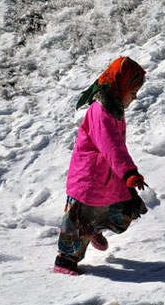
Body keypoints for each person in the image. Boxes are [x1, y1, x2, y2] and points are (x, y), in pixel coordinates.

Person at [53, 56, 148, 275]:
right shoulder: (102, 112)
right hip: (90, 179)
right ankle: (64, 262)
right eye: (132, 93)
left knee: (125, 209)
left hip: (106, 176)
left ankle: (95, 229)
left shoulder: (113, 109)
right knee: (78, 223)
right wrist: (129, 172)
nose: (135, 98)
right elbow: (112, 146)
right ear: (121, 87)